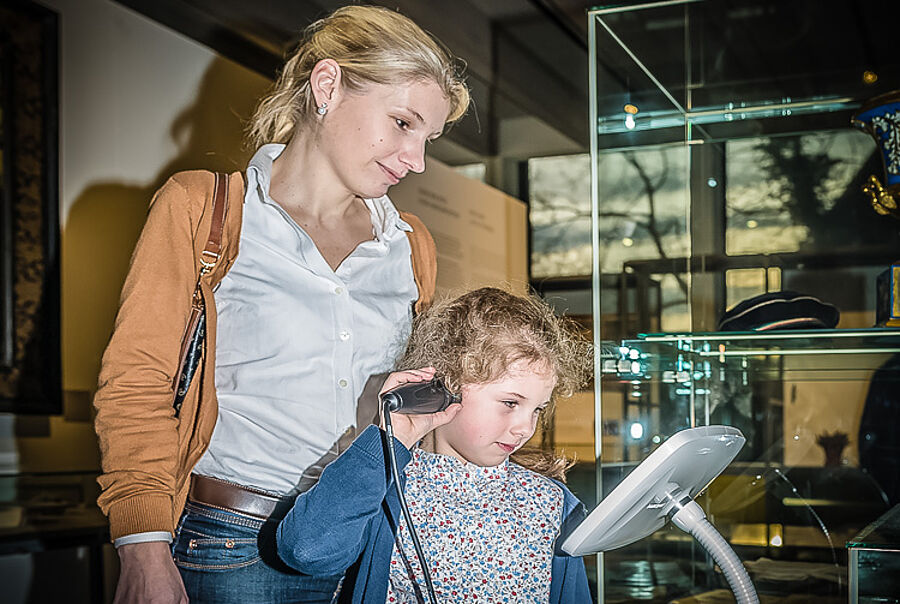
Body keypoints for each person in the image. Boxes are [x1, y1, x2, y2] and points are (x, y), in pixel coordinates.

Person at [92, 6, 469, 603]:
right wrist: (142, 546)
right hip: (232, 547)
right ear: (327, 85)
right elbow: (137, 383)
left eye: (426, 138)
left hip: (372, 537)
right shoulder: (203, 210)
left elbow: (411, 405)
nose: (416, 159)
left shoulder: (411, 245)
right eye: (402, 122)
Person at [277, 287, 593, 603]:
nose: (526, 428)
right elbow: (306, 549)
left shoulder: (552, 504)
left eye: (537, 408)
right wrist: (390, 439)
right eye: (510, 403)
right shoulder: (383, 488)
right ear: (447, 387)